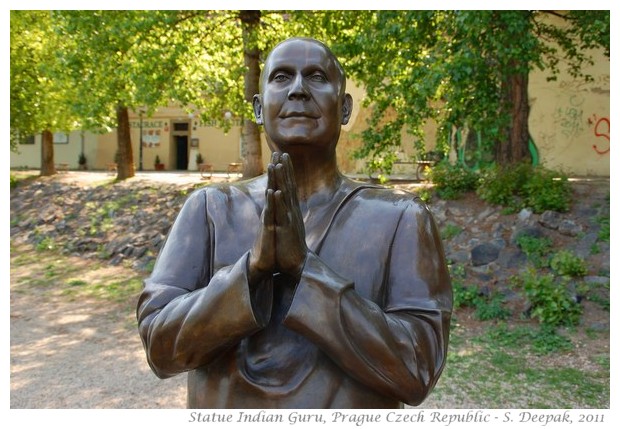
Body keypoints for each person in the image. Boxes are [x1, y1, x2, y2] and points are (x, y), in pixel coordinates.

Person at [137, 37, 452, 409]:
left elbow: (417, 368)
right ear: (258, 108)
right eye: (282, 77)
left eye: (317, 77)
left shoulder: (401, 219)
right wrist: (250, 272)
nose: (298, 89)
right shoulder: (209, 210)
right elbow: (160, 347)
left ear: (345, 107)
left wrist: (305, 270)